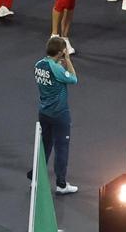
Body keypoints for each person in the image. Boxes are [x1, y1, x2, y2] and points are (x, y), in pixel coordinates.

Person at [34, 36, 78, 194]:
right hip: (59, 114)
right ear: (60, 52)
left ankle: (36, 178)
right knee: (61, 148)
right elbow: (73, 79)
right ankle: (61, 184)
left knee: (44, 146)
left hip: (44, 112)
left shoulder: (38, 64)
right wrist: (68, 60)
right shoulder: (58, 68)